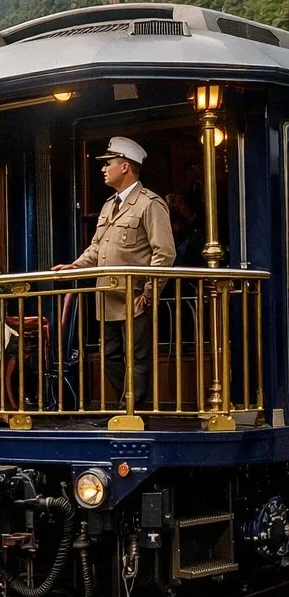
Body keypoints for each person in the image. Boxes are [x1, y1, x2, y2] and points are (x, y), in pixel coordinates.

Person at [53, 137, 175, 410]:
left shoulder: (149, 204)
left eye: (108, 163)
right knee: (109, 356)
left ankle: (134, 408)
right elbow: (97, 247)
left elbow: (164, 253)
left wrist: (150, 293)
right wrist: (75, 266)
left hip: (135, 296)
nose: (103, 169)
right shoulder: (109, 205)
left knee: (139, 356)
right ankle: (126, 404)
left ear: (126, 167)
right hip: (107, 295)